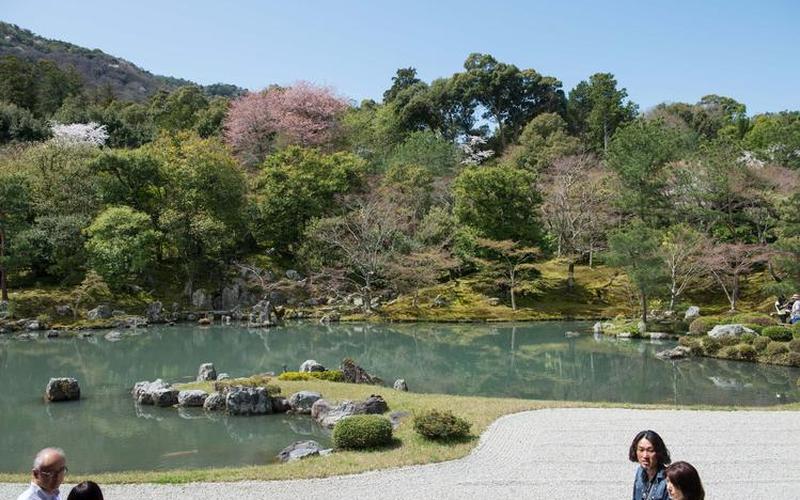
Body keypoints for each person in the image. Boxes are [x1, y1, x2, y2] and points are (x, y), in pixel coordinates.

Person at [629, 430, 671, 500]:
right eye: (641, 450)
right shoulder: (639, 472)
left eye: (650, 450)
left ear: (659, 452)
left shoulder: (668, 479)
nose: (645, 456)